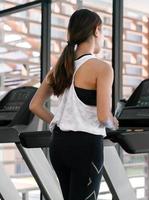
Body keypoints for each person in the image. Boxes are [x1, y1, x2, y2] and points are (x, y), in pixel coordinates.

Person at [29, 9, 118, 200]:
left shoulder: (60, 67)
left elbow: (34, 105)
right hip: (85, 148)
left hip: (59, 146)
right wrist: (114, 123)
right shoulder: (102, 68)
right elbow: (104, 117)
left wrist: (60, 121)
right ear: (96, 30)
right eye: (102, 32)